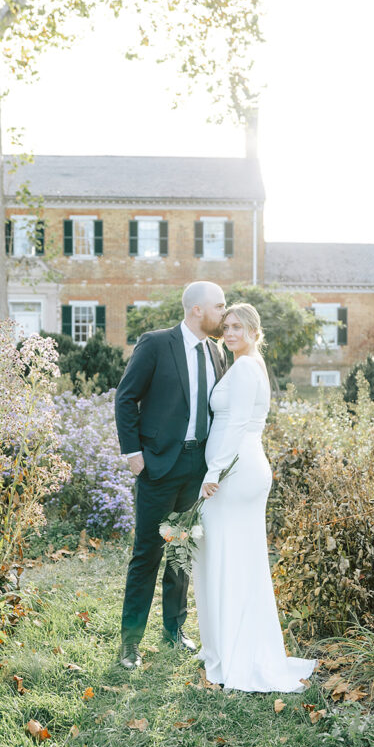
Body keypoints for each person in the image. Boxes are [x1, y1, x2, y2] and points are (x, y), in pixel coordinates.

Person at [193, 304, 316, 692]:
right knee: (236, 555)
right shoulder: (248, 364)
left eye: (237, 327)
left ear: (253, 330)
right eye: (225, 327)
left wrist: (213, 474)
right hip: (240, 468)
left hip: (235, 472)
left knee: (228, 555)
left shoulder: (246, 368)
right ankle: (232, 642)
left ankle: (237, 651)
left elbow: (239, 425)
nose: (229, 333)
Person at [114, 281, 227, 670]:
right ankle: (130, 643)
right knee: (148, 554)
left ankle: (174, 630)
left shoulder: (217, 351)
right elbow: (126, 396)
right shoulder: (157, 343)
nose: (224, 313)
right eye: (219, 306)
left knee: (181, 551)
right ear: (197, 309)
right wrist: (133, 452)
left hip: (197, 470)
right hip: (159, 466)